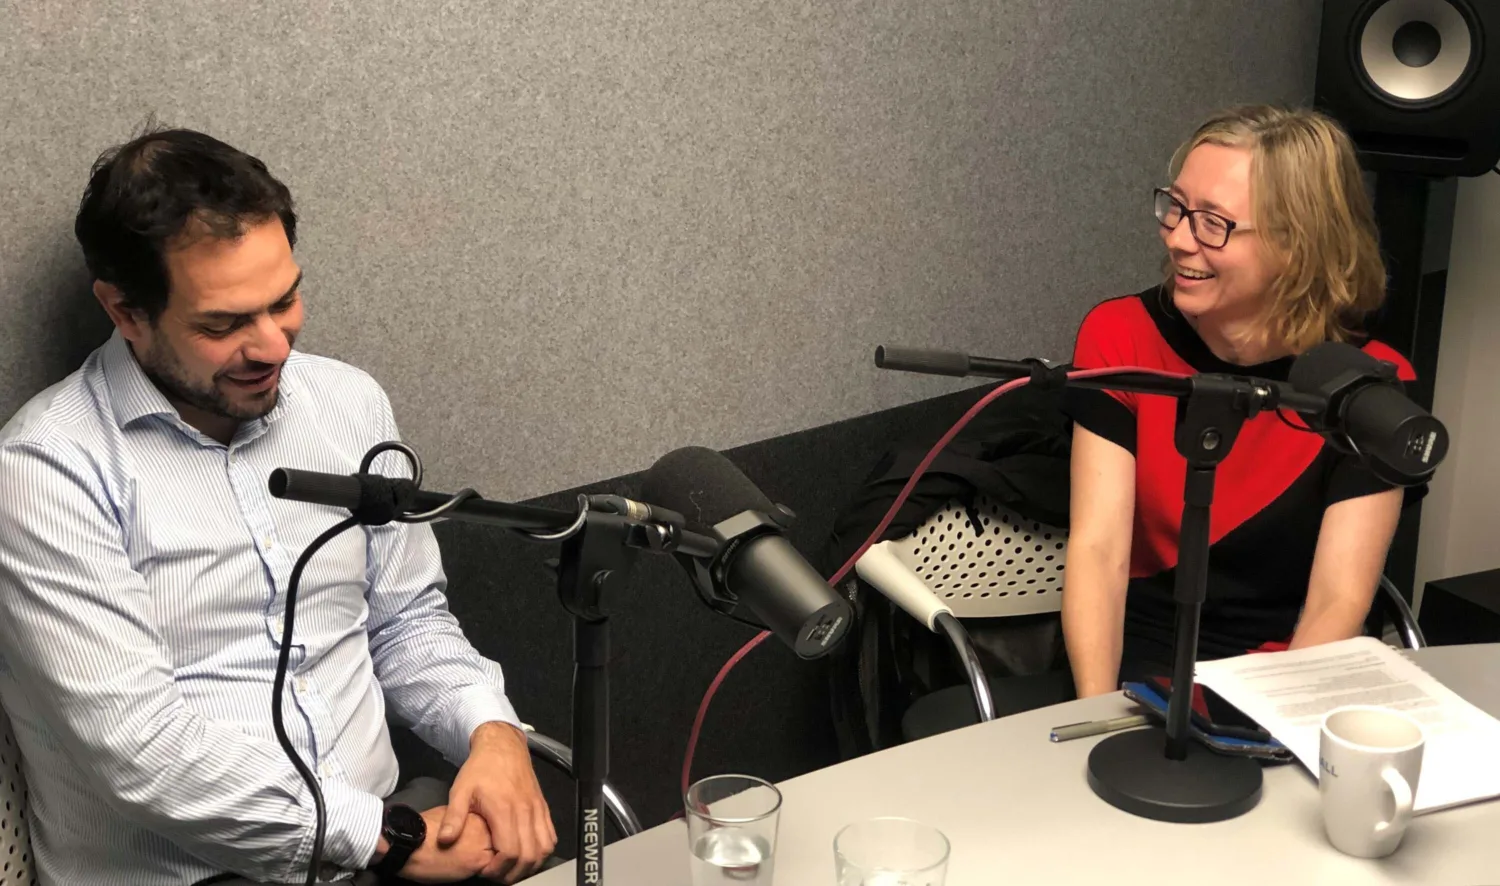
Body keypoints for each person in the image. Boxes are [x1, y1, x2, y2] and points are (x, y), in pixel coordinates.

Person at [0, 127, 557, 885]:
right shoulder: (46, 471)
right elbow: (142, 750)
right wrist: (386, 839)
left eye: (285, 300)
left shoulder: (348, 405)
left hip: (391, 833)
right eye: (224, 323)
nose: (274, 347)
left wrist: (491, 731)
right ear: (126, 311)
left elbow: (405, 620)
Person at [1061, 105, 1418, 698]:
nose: (1178, 238)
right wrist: (1095, 716)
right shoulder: (1119, 336)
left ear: (1298, 244)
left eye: (1213, 223)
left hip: (1294, 672)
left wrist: (1268, 732)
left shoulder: (1370, 386)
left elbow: (1338, 601)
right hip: (1146, 657)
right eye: (1175, 207)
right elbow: (1098, 553)